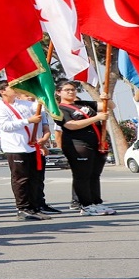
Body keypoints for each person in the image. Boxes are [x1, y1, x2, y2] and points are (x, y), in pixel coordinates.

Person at [0, 80, 49, 222]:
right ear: (2, 91)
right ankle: (22, 208)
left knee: (34, 178)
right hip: (15, 147)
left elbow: (40, 106)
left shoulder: (24, 104)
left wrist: (42, 92)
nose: (16, 89)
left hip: (31, 147)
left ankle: (34, 207)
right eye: (12, 87)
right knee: (21, 179)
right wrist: (28, 121)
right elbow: (3, 125)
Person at [54, 80, 114, 216]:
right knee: (82, 176)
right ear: (58, 92)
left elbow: (109, 106)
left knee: (94, 175)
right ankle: (85, 205)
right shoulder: (59, 108)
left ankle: (96, 202)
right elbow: (70, 125)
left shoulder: (84, 103)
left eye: (73, 89)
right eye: (67, 90)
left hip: (97, 143)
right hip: (78, 144)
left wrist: (106, 98)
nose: (71, 91)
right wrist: (96, 118)